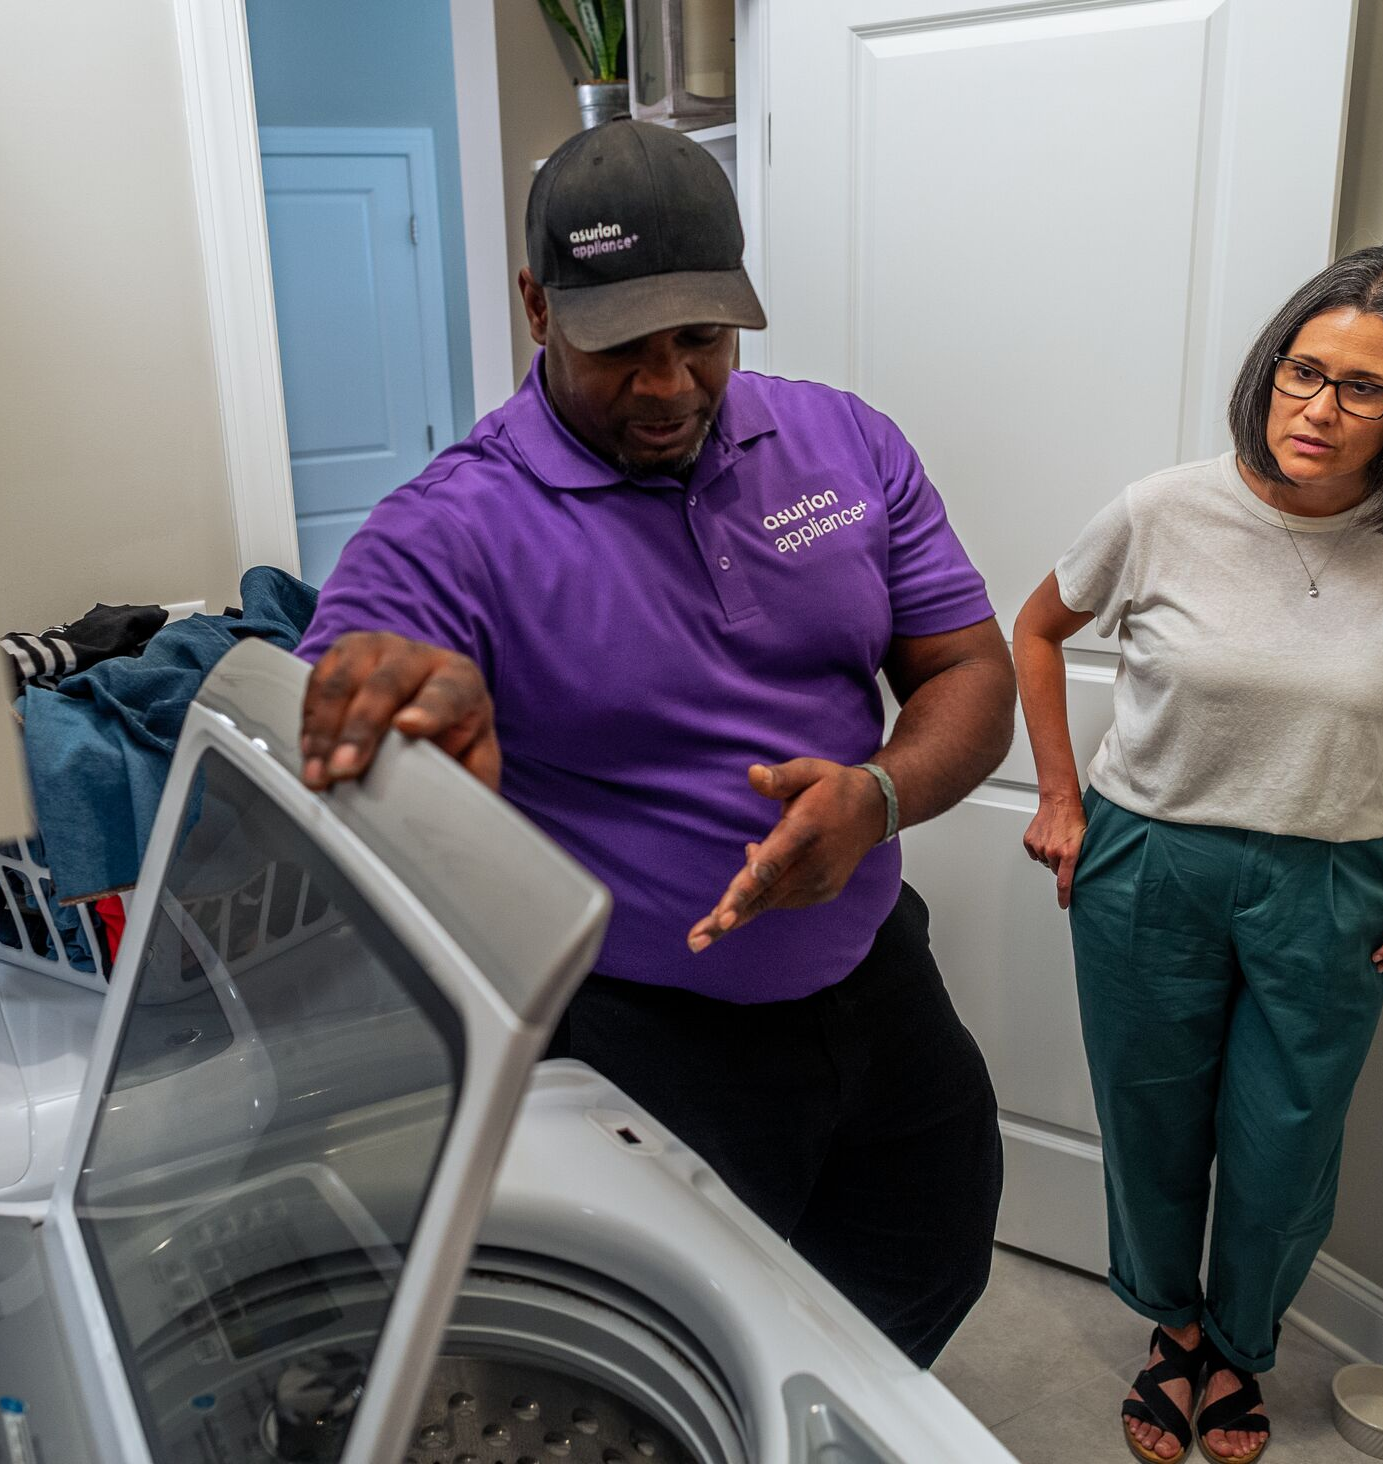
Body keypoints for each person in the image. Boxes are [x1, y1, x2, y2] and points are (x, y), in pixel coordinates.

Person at [292, 120, 1013, 1365]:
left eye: (703, 339)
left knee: (926, 1256)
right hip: (643, 1035)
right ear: (536, 306)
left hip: (874, 973)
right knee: (673, 1351)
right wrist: (403, 730)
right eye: (622, 346)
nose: (670, 385)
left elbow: (967, 670)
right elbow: (343, 695)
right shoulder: (449, 529)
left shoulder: (844, 442)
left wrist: (878, 798)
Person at [1012, 246, 1383, 1464]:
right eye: (1302, 371)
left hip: (1335, 879)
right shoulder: (1163, 510)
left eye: (1363, 389)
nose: (1318, 410)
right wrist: (1059, 798)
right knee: (1153, 1122)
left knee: (1287, 1142)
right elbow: (1035, 627)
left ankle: (1241, 1344)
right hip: (1150, 862)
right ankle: (1171, 1335)